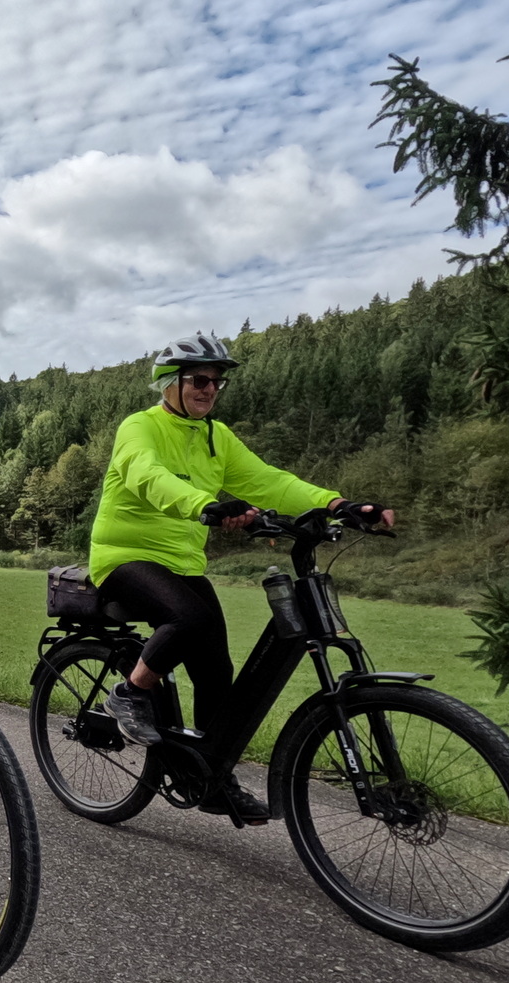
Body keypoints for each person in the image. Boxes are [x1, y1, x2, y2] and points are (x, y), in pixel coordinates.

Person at [88, 332, 394, 821]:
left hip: (182, 563)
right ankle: (130, 692)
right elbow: (147, 475)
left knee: (216, 669)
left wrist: (336, 503)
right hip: (125, 556)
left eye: (216, 383)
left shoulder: (216, 437)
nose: (210, 389)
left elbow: (267, 480)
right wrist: (206, 504)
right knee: (186, 618)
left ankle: (210, 778)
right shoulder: (139, 427)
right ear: (170, 383)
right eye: (199, 380)